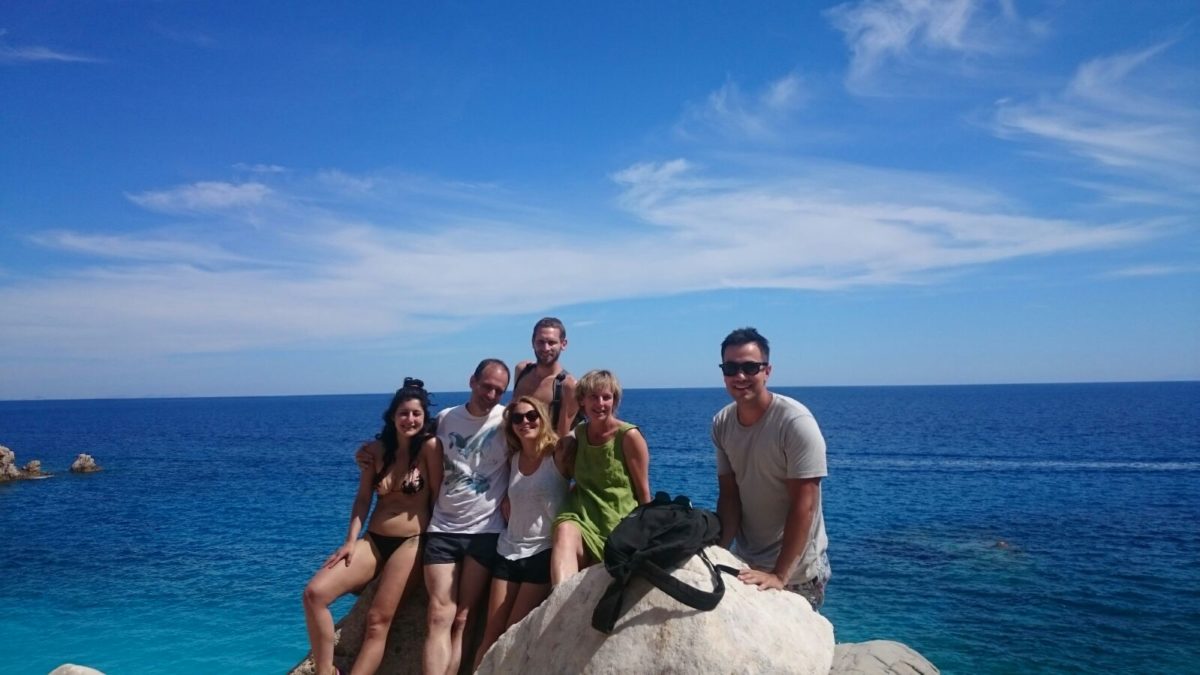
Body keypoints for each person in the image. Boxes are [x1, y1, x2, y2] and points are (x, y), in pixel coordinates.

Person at [303, 378, 437, 675]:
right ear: (392, 416)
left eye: (416, 413)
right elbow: (363, 499)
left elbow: (439, 497)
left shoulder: (430, 448)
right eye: (403, 413)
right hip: (374, 540)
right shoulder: (374, 451)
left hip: (412, 542)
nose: (410, 419)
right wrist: (350, 541)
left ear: (425, 417)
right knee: (314, 594)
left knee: (377, 621)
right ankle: (325, 670)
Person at [711, 327, 831, 610]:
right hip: (748, 565)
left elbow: (805, 505)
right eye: (731, 368)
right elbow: (730, 496)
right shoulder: (722, 423)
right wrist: (718, 552)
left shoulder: (795, 423)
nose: (740, 376)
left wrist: (779, 575)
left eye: (750, 367)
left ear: (767, 371)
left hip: (797, 573)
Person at [421, 359, 511, 675]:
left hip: (486, 531)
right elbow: (409, 440)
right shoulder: (446, 419)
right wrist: (372, 454)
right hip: (443, 528)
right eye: (487, 386)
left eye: (499, 390)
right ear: (472, 381)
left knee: (463, 619)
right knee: (438, 615)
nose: (491, 395)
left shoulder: (508, 420)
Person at [473, 396, 570, 669]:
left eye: (531, 416)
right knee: (492, 632)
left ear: (542, 417)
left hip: (542, 550)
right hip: (508, 549)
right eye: (517, 418)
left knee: (512, 632)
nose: (524, 422)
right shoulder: (513, 459)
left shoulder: (558, 454)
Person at [550, 369, 651, 585]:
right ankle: (559, 600)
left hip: (615, 521)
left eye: (606, 397)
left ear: (614, 401)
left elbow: (644, 493)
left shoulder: (629, 436)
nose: (600, 403)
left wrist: (646, 534)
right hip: (580, 515)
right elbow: (560, 453)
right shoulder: (580, 434)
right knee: (564, 530)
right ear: (582, 401)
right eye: (593, 397)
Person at [512, 317, 580, 438]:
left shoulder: (568, 386)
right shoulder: (522, 371)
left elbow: (562, 438)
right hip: (513, 447)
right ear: (533, 343)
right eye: (541, 342)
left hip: (546, 449)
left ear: (563, 344)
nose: (546, 348)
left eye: (551, 342)